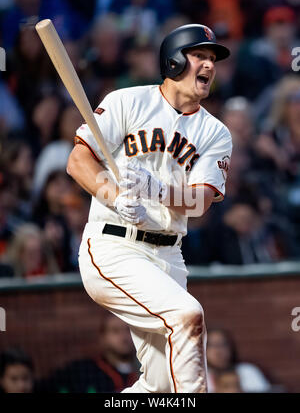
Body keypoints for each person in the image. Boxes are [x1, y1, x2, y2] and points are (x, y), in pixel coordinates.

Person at [67, 24, 232, 393]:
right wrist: (112, 195)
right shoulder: (128, 101)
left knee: (158, 386)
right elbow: (78, 160)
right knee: (187, 315)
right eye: (199, 56)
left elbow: (200, 201)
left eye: (213, 59)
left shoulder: (215, 132)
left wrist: (155, 190)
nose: (209, 65)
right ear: (173, 61)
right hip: (114, 246)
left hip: (168, 256)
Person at [38, 312, 138, 393]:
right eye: (115, 331)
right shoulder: (82, 372)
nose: (124, 337)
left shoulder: (146, 369)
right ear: (102, 337)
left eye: (128, 330)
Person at [206, 328, 272, 393]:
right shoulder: (199, 377)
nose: (217, 351)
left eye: (223, 344)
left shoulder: (247, 371)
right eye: (211, 345)